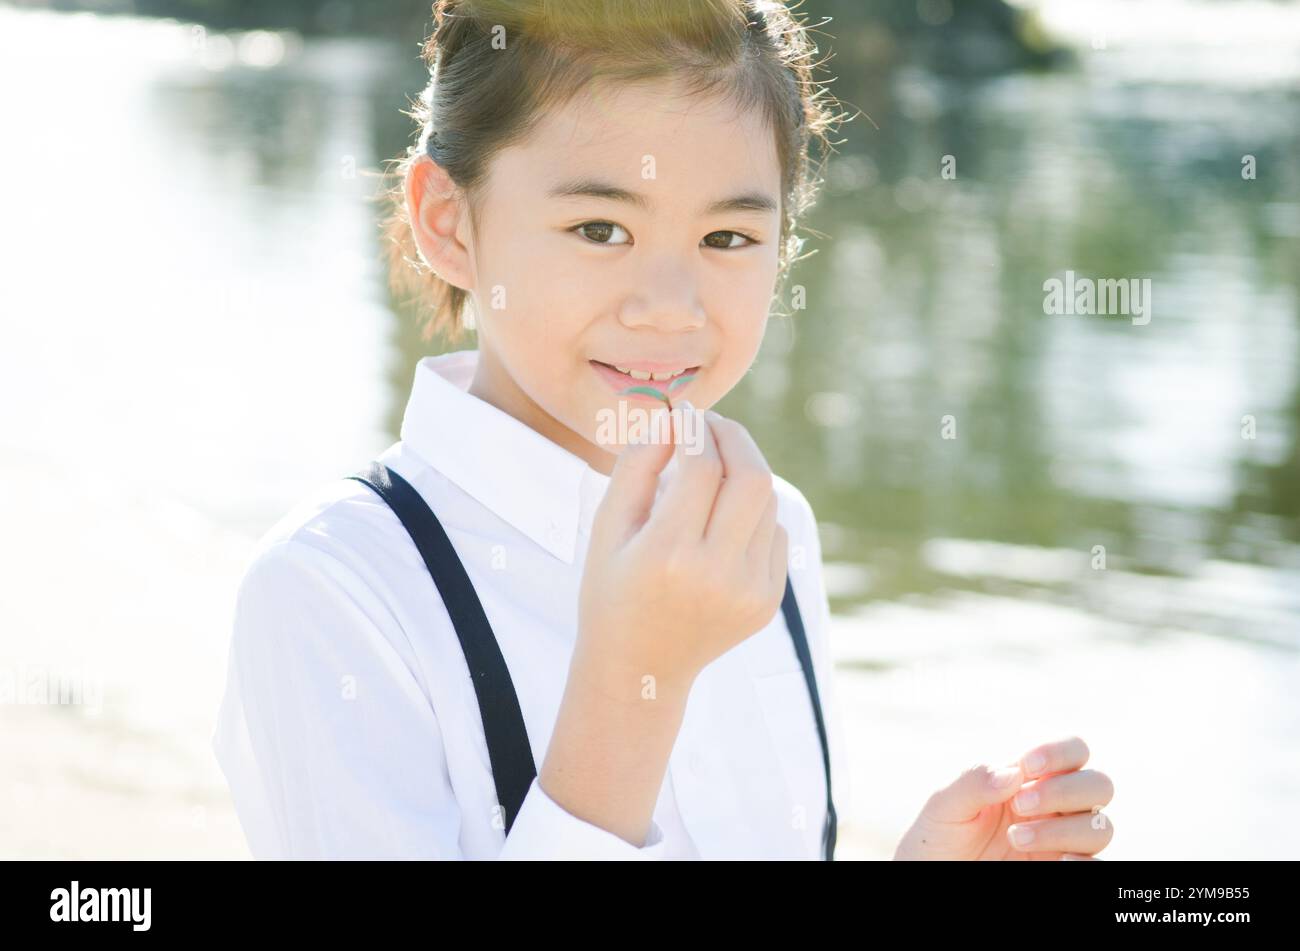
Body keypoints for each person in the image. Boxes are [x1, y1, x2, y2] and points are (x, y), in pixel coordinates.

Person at [211, 0, 1115, 860]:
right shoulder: (337, 590)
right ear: (450, 222)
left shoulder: (768, 530)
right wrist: (631, 682)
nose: (670, 311)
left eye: (727, 238)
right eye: (601, 227)